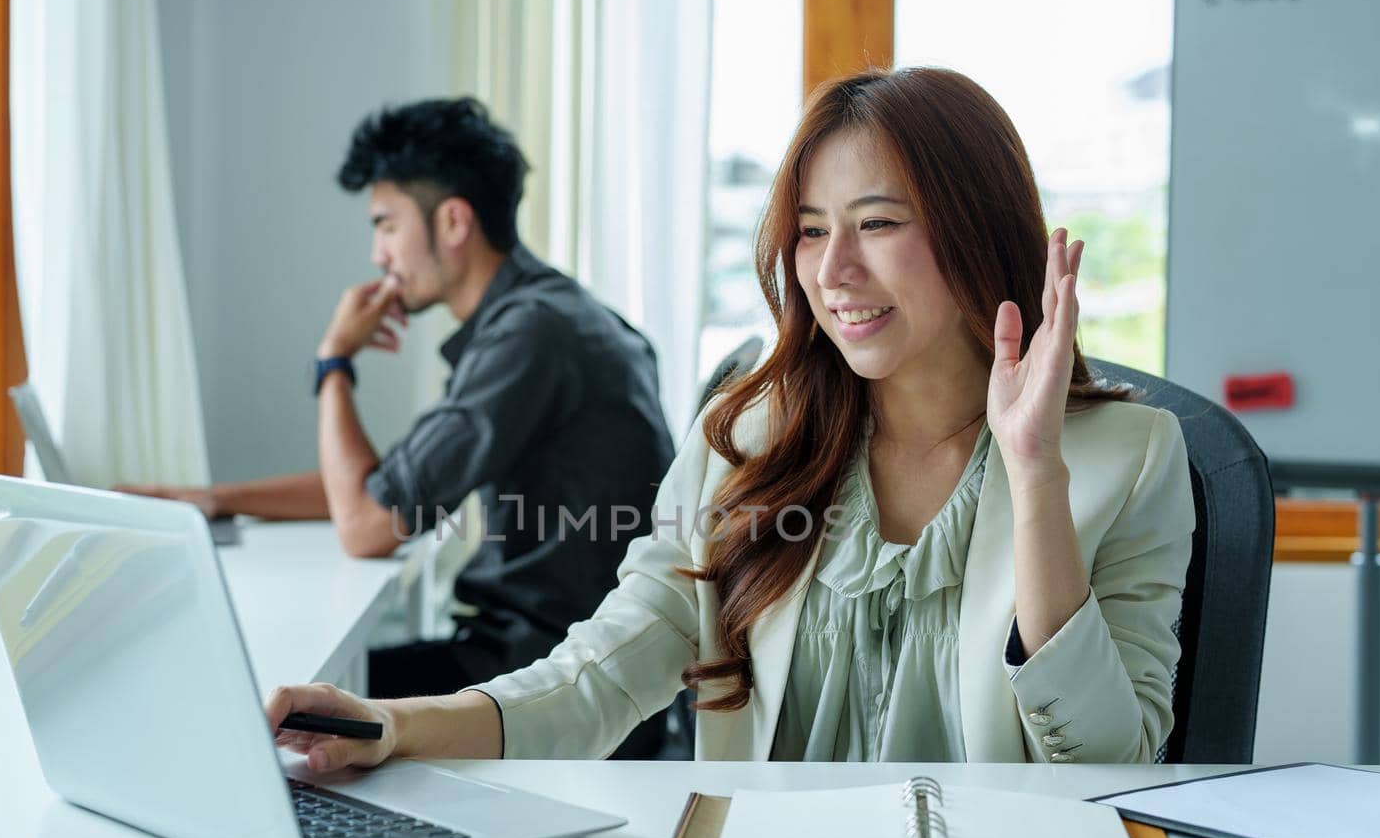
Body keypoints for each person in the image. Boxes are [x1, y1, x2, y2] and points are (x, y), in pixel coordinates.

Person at [266, 66, 1196, 770]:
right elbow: (601, 671)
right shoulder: (749, 436)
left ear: (975, 226)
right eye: (810, 228)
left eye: (876, 223)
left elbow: (1110, 767)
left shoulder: (1132, 459)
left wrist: (1034, 476)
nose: (832, 271)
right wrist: (398, 724)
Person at [123, 99, 676, 706]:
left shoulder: (529, 337)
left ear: (454, 223)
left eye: (386, 225)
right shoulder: (546, 315)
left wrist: (334, 361)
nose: (377, 254)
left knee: (260, 703)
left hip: (548, 683)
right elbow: (385, 489)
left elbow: (365, 525)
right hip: (565, 664)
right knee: (288, 694)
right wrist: (221, 500)